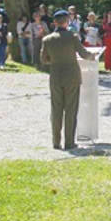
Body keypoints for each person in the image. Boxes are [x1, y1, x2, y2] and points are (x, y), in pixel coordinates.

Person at [40, 9, 95, 150]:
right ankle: (69, 142)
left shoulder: (47, 39)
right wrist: (93, 56)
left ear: (54, 23)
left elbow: (44, 60)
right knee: (70, 110)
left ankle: (56, 142)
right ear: (67, 22)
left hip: (56, 76)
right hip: (72, 76)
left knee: (56, 109)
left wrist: (55, 60)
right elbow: (83, 54)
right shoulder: (72, 36)